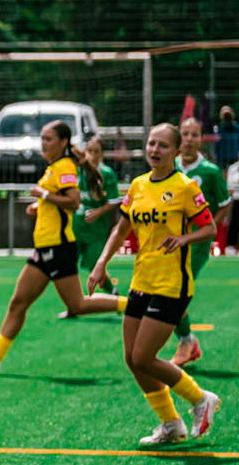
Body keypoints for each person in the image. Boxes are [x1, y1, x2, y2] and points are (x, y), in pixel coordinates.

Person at [87, 123, 220, 445]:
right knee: (132, 359)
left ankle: (201, 398)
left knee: (145, 357)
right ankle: (171, 424)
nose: (154, 150)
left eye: (162, 145)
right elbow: (121, 230)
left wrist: (184, 238)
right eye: (151, 144)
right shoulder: (138, 185)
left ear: (175, 152)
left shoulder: (186, 187)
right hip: (141, 280)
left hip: (172, 284)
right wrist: (101, 263)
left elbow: (210, 228)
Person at [0, 119, 125, 373]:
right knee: (18, 302)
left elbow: (72, 202)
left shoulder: (64, 167)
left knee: (78, 305)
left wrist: (44, 196)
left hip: (59, 247)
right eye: (42, 138)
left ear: (63, 143)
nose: (44, 143)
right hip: (44, 247)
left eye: (49, 139)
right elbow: (57, 201)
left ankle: (132, 305)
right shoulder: (54, 167)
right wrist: (39, 207)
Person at [169, 117, 230, 364]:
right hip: (169, 242)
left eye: (195, 134)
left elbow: (225, 205)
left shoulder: (210, 172)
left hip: (195, 246)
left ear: (201, 139)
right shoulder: (168, 166)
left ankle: (186, 342)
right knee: (166, 294)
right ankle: (187, 342)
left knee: (175, 294)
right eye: (185, 134)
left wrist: (207, 229)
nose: (189, 139)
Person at [63, 134, 122, 309]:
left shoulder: (106, 173)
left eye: (96, 151)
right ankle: (72, 305)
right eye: (89, 151)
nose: (92, 155)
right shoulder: (78, 171)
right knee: (68, 267)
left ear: (102, 153)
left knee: (95, 266)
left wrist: (99, 212)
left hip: (96, 230)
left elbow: (113, 201)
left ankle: (113, 292)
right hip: (75, 227)